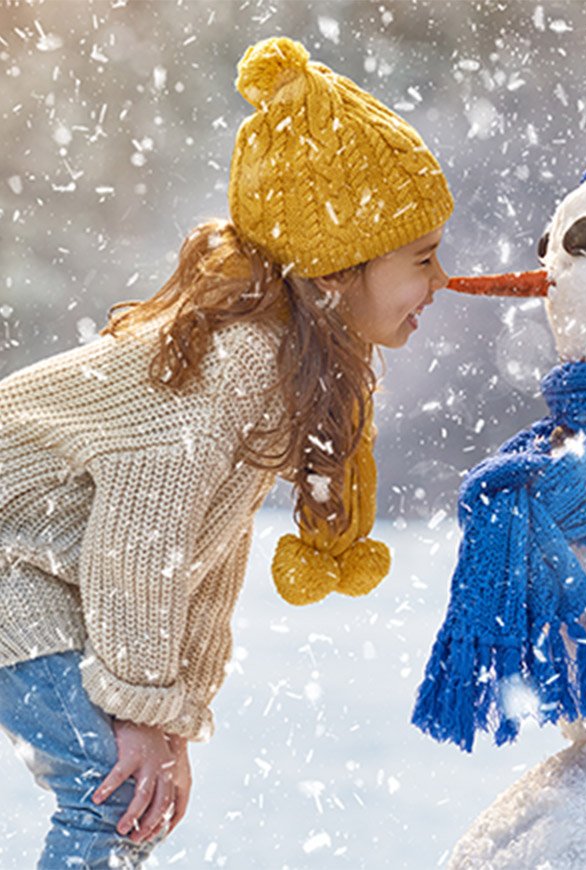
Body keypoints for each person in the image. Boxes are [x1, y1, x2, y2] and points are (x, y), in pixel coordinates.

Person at [0, 35, 453, 868]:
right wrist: (137, 706)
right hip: (11, 560)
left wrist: (171, 715)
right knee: (110, 788)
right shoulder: (234, 364)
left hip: (43, 571)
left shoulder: (277, 364)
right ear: (334, 274)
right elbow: (142, 545)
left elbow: (204, 558)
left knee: (129, 790)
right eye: (422, 259)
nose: (441, 280)